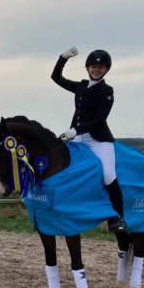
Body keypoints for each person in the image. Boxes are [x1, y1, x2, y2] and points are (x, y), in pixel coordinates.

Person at [51, 47, 127, 233]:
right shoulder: (81, 86)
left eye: (101, 67)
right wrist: (63, 58)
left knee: (108, 174)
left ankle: (117, 217)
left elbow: (99, 120)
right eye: (93, 66)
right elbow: (56, 77)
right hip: (76, 136)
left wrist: (76, 130)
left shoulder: (106, 90)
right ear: (87, 68)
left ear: (106, 69)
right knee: (63, 168)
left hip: (98, 138)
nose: (96, 69)